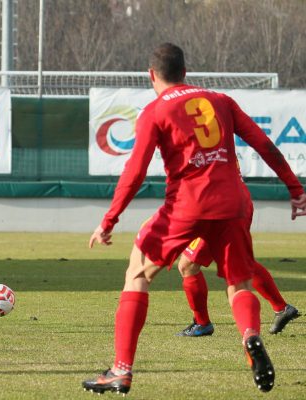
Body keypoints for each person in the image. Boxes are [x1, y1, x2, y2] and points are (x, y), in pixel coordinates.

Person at [82, 43, 306, 395]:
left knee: (137, 273)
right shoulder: (221, 100)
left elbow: (135, 171)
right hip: (233, 203)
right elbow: (264, 144)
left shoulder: (155, 111)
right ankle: (251, 337)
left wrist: (109, 220)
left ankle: (121, 371)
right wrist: (295, 189)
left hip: (186, 206)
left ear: (151, 75)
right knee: (239, 284)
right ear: (186, 72)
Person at [177, 237, 300, 337]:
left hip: (216, 212)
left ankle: (202, 323)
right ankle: (281, 308)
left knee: (188, 265)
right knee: (239, 259)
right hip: (232, 210)